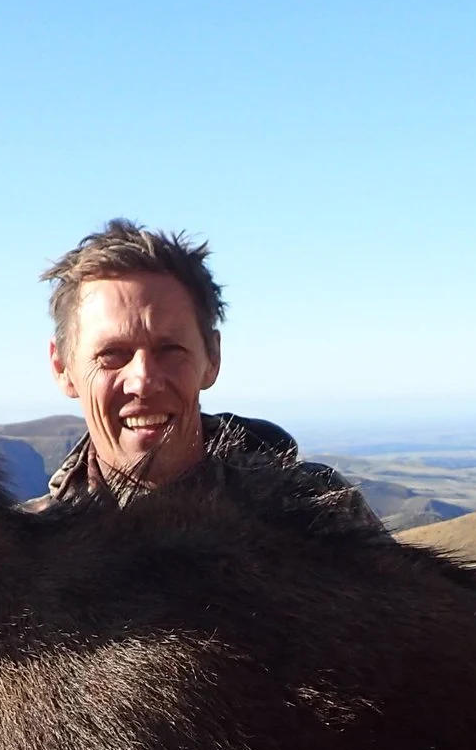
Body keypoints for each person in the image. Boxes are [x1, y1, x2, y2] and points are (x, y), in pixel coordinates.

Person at [27, 220, 387, 541]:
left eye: (170, 349)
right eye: (112, 354)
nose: (144, 380)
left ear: (212, 358)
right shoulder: (24, 554)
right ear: (62, 367)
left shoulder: (321, 518)